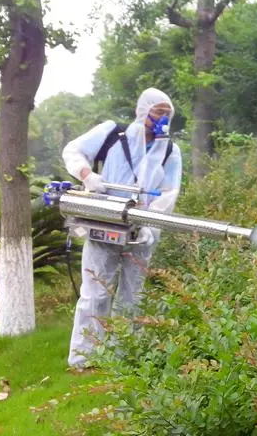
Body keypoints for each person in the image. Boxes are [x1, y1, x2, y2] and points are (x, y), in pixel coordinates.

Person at [61, 88, 182, 369]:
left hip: (142, 230)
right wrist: (87, 175)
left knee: (132, 293)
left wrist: (150, 221)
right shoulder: (113, 134)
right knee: (96, 291)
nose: (163, 119)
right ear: (143, 110)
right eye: (158, 112)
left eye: (167, 114)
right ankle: (85, 358)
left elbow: (169, 192)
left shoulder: (170, 150)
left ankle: (124, 354)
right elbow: (73, 150)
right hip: (105, 220)